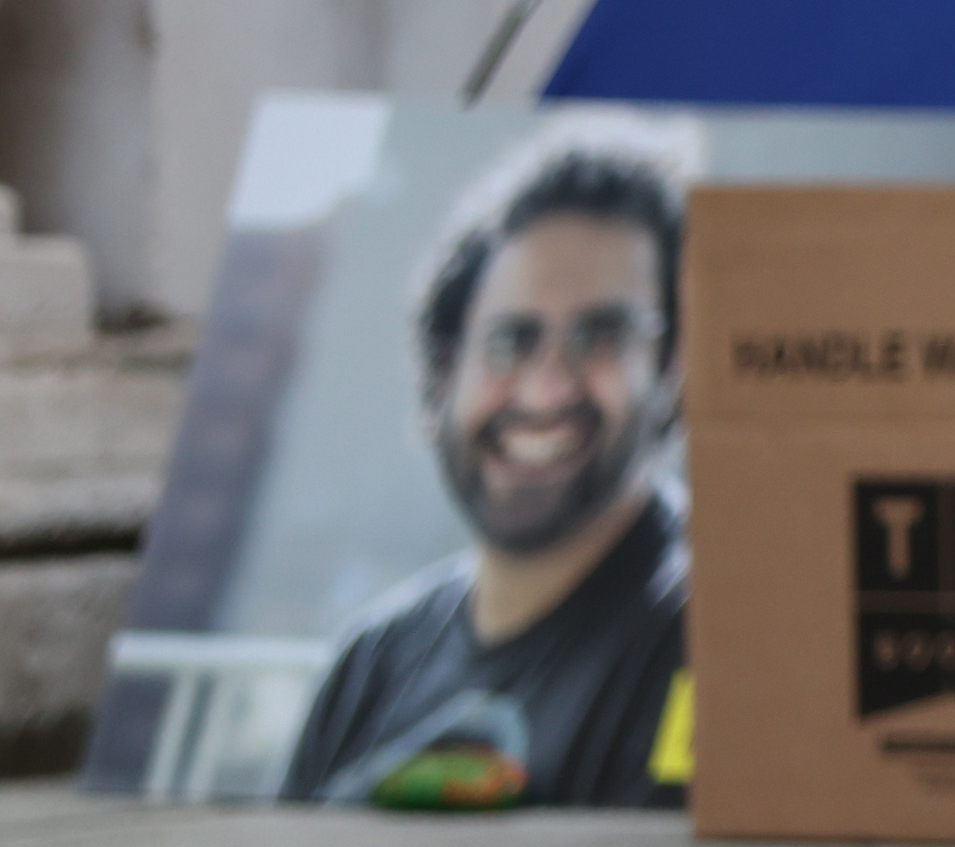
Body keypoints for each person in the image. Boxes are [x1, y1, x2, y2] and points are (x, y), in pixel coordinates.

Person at [284, 128, 693, 810]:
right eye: (509, 340)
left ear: (674, 371)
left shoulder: (707, 639)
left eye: (602, 337)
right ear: (445, 371)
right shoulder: (370, 659)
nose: (544, 390)